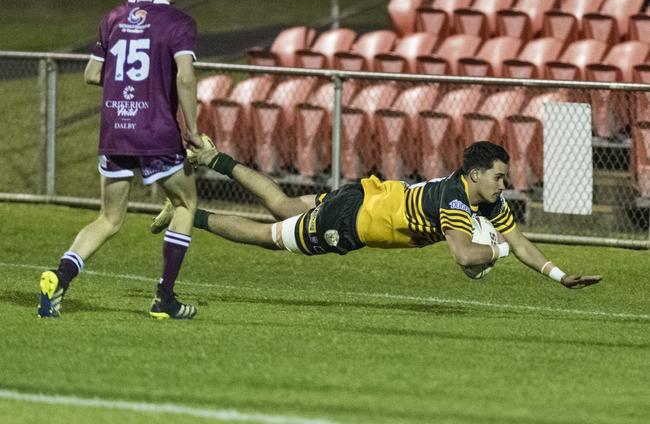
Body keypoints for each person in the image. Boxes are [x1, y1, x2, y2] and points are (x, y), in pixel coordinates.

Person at [151, 136, 602, 290]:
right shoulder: (456, 203)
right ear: (476, 173)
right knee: (270, 235)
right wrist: (497, 251)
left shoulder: (486, 199)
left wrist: (558, 275)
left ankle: (214, 159)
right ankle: (190, 217)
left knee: (285, 204)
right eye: (500, 176)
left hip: (365, 195)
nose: (506, 184)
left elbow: (519, 238)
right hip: (349, 223)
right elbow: (466, 257)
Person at [38, 0, 202, 320]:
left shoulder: (113, 17)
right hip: (156, 130)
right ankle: (165, 298)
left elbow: (92, 73)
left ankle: (58, 278)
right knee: (186, 203)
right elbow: (187, 79)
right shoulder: (179, 23)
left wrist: (127, 86)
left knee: (109, 219)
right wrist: (193, 130)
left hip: (116, 129)